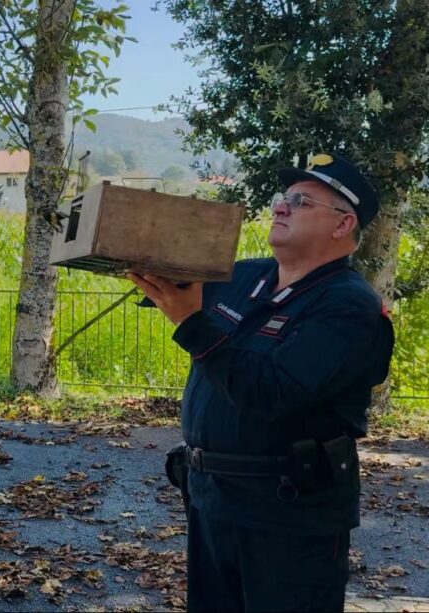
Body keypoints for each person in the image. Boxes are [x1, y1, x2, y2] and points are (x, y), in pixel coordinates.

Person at [128, 153, 395, 612]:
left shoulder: (348, 307)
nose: (280, 207)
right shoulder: (246, 276)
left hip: (289, 514)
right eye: (282, 198)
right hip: (213, 500)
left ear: (342, 224)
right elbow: (162, 275)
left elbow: (271, 393)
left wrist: (192, 324)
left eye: (301, 201)